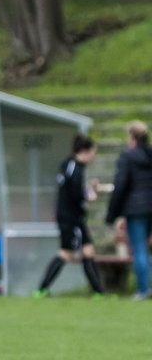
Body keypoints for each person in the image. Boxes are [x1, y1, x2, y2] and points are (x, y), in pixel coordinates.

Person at [34, 135, 105, 297]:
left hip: (75, 217)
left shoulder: (70, 165)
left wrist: (87, 188)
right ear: (85, 151)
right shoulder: (75, 168)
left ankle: (99, 292)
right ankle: (41, 289)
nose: (94, 156)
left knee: (88, 251)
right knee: (66, 253)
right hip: (70, 218)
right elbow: (75, 194)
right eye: (93, 152)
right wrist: (90, 194)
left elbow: (72, 189)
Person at [105, 120, 152, 300]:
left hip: (135, 209)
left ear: (132, 137)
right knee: (146, 249)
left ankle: (142, 289)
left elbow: (121, 185)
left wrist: (112, 214)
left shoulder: (128, 157)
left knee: (139, 248)